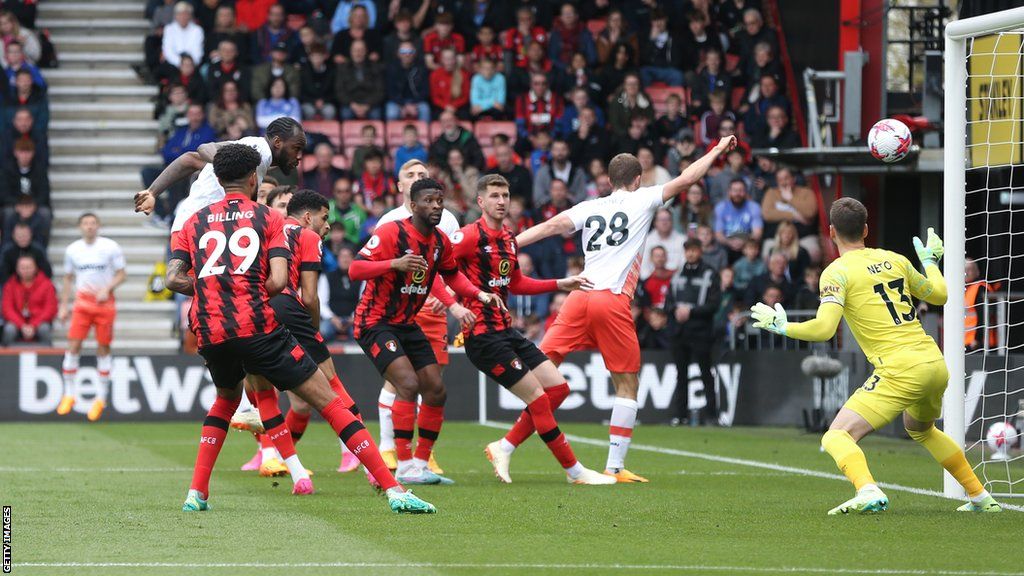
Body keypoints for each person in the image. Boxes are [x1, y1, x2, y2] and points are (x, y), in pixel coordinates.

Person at [166, 143, 435, 514]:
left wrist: (214, 286)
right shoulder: (269, 218)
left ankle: (196, 493)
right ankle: (394, 489)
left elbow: (172, 279)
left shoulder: (192, 222)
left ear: (215, 177)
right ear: (252, 179)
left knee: (226, 400)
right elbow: (278, 281)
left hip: (211, 329)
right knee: (328, 399)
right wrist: (243, 286)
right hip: (256, 325)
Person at [500, 135, 738, 483]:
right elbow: (687, 179)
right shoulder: (642, 199)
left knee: (542, 379)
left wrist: (507, 243)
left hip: (578, 296)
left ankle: (506, 446)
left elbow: (549, 227)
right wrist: (716, 150)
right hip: (611, 299)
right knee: (627, 384)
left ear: (610, 181)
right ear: (637, 179)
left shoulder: (589, 207)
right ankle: (614, 465)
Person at [749, 198, 1002, 515]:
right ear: (866, 229)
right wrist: (930, 260)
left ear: (830, 232)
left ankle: (867, 489)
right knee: (922, 429)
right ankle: (981, 497)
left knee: (836, 436)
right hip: (934, 363)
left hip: (900, 369)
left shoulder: (836, 272)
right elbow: (941, 295)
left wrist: (784, 327)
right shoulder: (894, 260)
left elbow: (825, 329)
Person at [452, 174, 614, 485]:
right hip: (482, 337)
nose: (502, 201)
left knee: (558, 389)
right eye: (495, 195)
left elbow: (516, 283)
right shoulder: (468, 237)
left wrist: (560, 283)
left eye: (505, 195)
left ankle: (505, 446)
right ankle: (574, 472)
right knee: (539, 400)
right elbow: (438, 267)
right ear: (481, 202)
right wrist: (451, 304)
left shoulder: (509, 239)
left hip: (506, 331)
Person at [350, 177, 504, 485]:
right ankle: (403, 464)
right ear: (413, 204)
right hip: (375, 323)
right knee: (407, 383)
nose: (436, 206)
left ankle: (420, 464)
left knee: (435, 389)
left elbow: (453, 276)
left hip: (407, 324)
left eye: (439, 200)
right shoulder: (391, 232)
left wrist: (479, 295)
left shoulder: (439, 242)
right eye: (429, 201)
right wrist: (394, 263)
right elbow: (355, 269)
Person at [370, 160, 463, 474]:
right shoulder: (389, 223)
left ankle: (424, 456)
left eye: (422, 174)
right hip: (395, 312)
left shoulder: (446, 220)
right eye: (409, 175)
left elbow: (451, 265)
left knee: (432, 385)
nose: (417, 178)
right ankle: (388, 449)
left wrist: (454, 299)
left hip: (432, 307)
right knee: (398, 383)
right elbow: (368, 269)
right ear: (400, 188)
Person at [134, 117, 307, 242]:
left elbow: (189, 159)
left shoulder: (258, 158)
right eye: (296, 148)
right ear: (277, 142)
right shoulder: (257, 150)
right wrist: (224, 164)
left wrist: (152, 192)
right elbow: (205, 147)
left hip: (195, 225)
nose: (299, 156)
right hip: (199, 228)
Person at [56, 213, 126, 422]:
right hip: (82, 303)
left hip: (105, 304)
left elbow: (122, 274)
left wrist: (108, 288)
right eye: (86, 224)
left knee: (103, 348)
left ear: (98, 226)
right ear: (80, 227)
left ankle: (100, 398)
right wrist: (64, 305)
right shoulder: (73, 250)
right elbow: (68, 278)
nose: (89, 227)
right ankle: (69, 394)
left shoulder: (110, 247)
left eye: (93, 223)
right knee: (73, 346)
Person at [666, 239, 722, 426]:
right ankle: (680, 415)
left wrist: (690, 311)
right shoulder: (676, 275)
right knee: (680, 375)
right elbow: (667, 304)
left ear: (700, 251)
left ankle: (712, 415)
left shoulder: (710, 274)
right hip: (680, 332)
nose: (690, 254)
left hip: (701, 332)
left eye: (693, 250)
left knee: (706, 373)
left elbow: (714, 305)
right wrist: (675, 310)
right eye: (687, 250)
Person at [2, 254, 56, 346]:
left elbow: (50, 309)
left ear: (35, 268)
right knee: (9, 329)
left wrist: (33, 325)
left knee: (45, 329)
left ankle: (47, 358)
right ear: (17, 269)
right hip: (17, 323)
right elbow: (7, 309)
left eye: (29, 267)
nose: (26, 270)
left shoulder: (47, 284)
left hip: (39, 323)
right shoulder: (10, 285)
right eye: (22, 267)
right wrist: (22, 325)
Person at [714, 178, 763, 262]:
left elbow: (757, 233)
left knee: (753, 248)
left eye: (741, 190)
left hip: (747, 243)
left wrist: (744, 241)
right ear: (729, 192)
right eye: (735, 190)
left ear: (746, 192)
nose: (737, 194)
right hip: (726, 244)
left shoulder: (754, 207)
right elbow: (718, 234)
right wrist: (729, 242)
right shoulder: (721, 207)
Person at [532, 138, 586, 206]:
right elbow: (538, 197)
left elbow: (582, 196)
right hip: (549, 212)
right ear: (551, 152)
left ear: (568, 151)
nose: (560, 153)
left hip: (573, 211)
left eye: (563, 149)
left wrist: (569, 200)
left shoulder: (578, 172)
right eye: (556, 150)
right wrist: (556, 198)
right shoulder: (542, 172)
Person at [385, 41, 431, 121]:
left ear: (415, 54)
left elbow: (425, 91)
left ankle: (424, 133)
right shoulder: (391, 69)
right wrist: (403, 105)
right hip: (397, 101)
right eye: (403, 52)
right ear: (398, 54)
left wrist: (413, 105)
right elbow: (390, 92)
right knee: (391, 113)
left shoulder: (422, 68)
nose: (407, 55)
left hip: (417, 101)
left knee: (425, 109)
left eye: (410, 52)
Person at [640, 208, 685, 278]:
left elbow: (683, 265)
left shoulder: (683, 240)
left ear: (672, 221)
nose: (664, 223)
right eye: (661, 220)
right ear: (655, 222)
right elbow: (643, 266)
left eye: (667, 219)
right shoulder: (646, 240)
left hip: (675, 281)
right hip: (651, 281)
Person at [161, 2, 204, 69]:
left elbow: (198, 52)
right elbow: (168, 50)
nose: (183, 17)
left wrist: (189, 64)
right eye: (180, 14)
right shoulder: (169, 29)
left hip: (192, 65)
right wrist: (180, 63)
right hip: (173, 64)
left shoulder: (197, 30)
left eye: (186, 14)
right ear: (175, 16)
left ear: (190, 16)